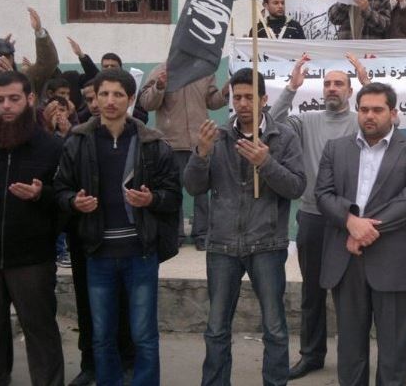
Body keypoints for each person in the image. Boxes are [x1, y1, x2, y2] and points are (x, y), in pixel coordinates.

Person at [54, 68, 182, 386]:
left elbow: (173, 196)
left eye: (118, 94)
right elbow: (59, 190)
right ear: (95, 98)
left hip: (140, 253)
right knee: (102, 335)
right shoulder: (78, 142)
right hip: (98, 253)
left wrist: (151, 199)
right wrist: (74, 202)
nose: (110, 101)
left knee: (144, 334)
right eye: (104, 94)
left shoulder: (152, 143)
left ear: (131, 99)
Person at [185, 68, 306, 386]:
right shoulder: (218, 136)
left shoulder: (283, 137)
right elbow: (194, 187)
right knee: (216, 328)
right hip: (222, 245)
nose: (242, 103)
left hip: (266, 244)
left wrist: (266, 163)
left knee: (275, 328)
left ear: (264, 99)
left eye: (249, 97)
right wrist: (200, 154)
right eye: (236, 97)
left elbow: (296, 187)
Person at [315, 82, 406, 386]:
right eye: (364, 109)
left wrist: (363, 229)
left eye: (377, 110)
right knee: (350, 349)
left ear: (393, 113)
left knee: (393, 352)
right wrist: (349, 222)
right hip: (346, 261)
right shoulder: (335, 148)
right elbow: (323, 194)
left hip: (393, 262)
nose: (369, 115)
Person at [269, 54, 368, 380]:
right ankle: (311, 355)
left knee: (350, 295)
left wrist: (369, 84)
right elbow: (272, 124)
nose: (332, 88)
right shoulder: (306, 121)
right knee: (312, 292)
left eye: (339, 84)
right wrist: (291, 88)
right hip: (312, 217)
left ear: (350, 90)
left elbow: (393, 128)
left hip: (349, 221)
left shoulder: (360, 121)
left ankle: (352, 359)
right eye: (327, 84)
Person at [0, 71, 65, 386]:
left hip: (32, 260)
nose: (6, 106)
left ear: (30, 99)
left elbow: (66, 200)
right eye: (0, 99)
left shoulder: (51, 147)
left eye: (14, 99)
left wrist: (41, 195)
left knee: (40, 332)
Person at [139, 62, 228, 249]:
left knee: (201, 191)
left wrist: (224, 92)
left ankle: (202, 234)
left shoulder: (204, 71)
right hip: (172, 142)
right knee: (174, 190)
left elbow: (212, 101)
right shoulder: (161, 70)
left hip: (200, 142)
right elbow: (146, 103)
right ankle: (175, 233)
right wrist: (159, 86)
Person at [0, 8, 59, 96]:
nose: (2, 60)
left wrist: (39, 32)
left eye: (7, 56)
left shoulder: (26, 77)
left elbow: (48, 63)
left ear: (12, 57)